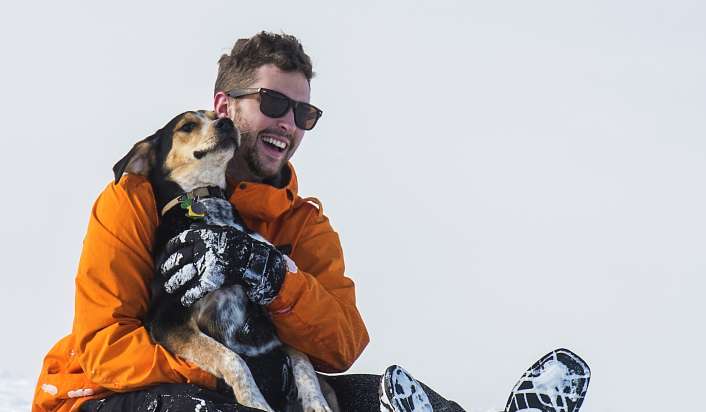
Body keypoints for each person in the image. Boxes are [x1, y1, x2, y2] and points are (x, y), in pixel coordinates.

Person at [32, 32, 464, 412]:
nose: (288, 124)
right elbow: (103, 346)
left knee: (380, 397)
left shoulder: (302, 225)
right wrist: (228, 372)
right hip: (105, 393)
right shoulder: (135, 199)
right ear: (224, 106)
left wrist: (276, 278)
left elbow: (343, 344)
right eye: (273, 103)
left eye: (303, 114)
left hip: (254, 381)